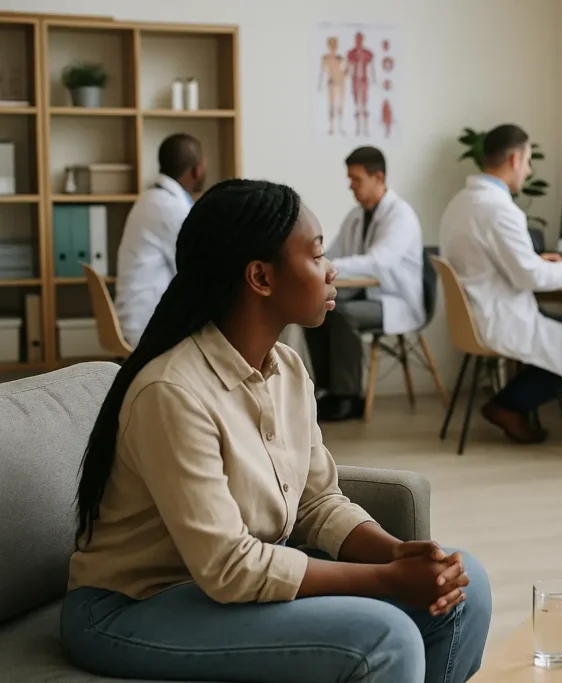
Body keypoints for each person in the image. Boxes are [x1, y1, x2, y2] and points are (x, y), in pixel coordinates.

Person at [62, 179, 491, 683]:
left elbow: (316, 502)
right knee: (385, 636)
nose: (332, 270)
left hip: (218, 590)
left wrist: (395, 551)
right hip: (133, 606)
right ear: (261, 278)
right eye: (317, 256)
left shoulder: (286, 368)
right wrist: (385, 579)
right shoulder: (172, 392)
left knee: (468, 590)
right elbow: (228, 565)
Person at [439, 124, 562, 444]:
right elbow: (530, 277)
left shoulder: (461, 202)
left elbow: (507, 264)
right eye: (529, 161)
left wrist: (537, 261)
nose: (529, 169)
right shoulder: (498, 209)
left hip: (478, 314)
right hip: (498, 318)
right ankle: (506, 406)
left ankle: (510, 405)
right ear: (515, 159)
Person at [304, 146, 424, 421]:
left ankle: (348, 398)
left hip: (395, 301)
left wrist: (329, 267)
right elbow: (334, 251)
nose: (351, 186)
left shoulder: (400, 215)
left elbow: (379, 261)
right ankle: (328, 391)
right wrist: (316, 261)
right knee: (313, 305)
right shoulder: (356, 216)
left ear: (378, 177)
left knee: (343, 313)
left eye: (356, 179)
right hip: (366, 294)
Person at [115, 133, 206, 347]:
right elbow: (198, 270)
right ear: (196, 170)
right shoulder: (170, 208)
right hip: (149, 326)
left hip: (139, 317)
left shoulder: (152, 199)